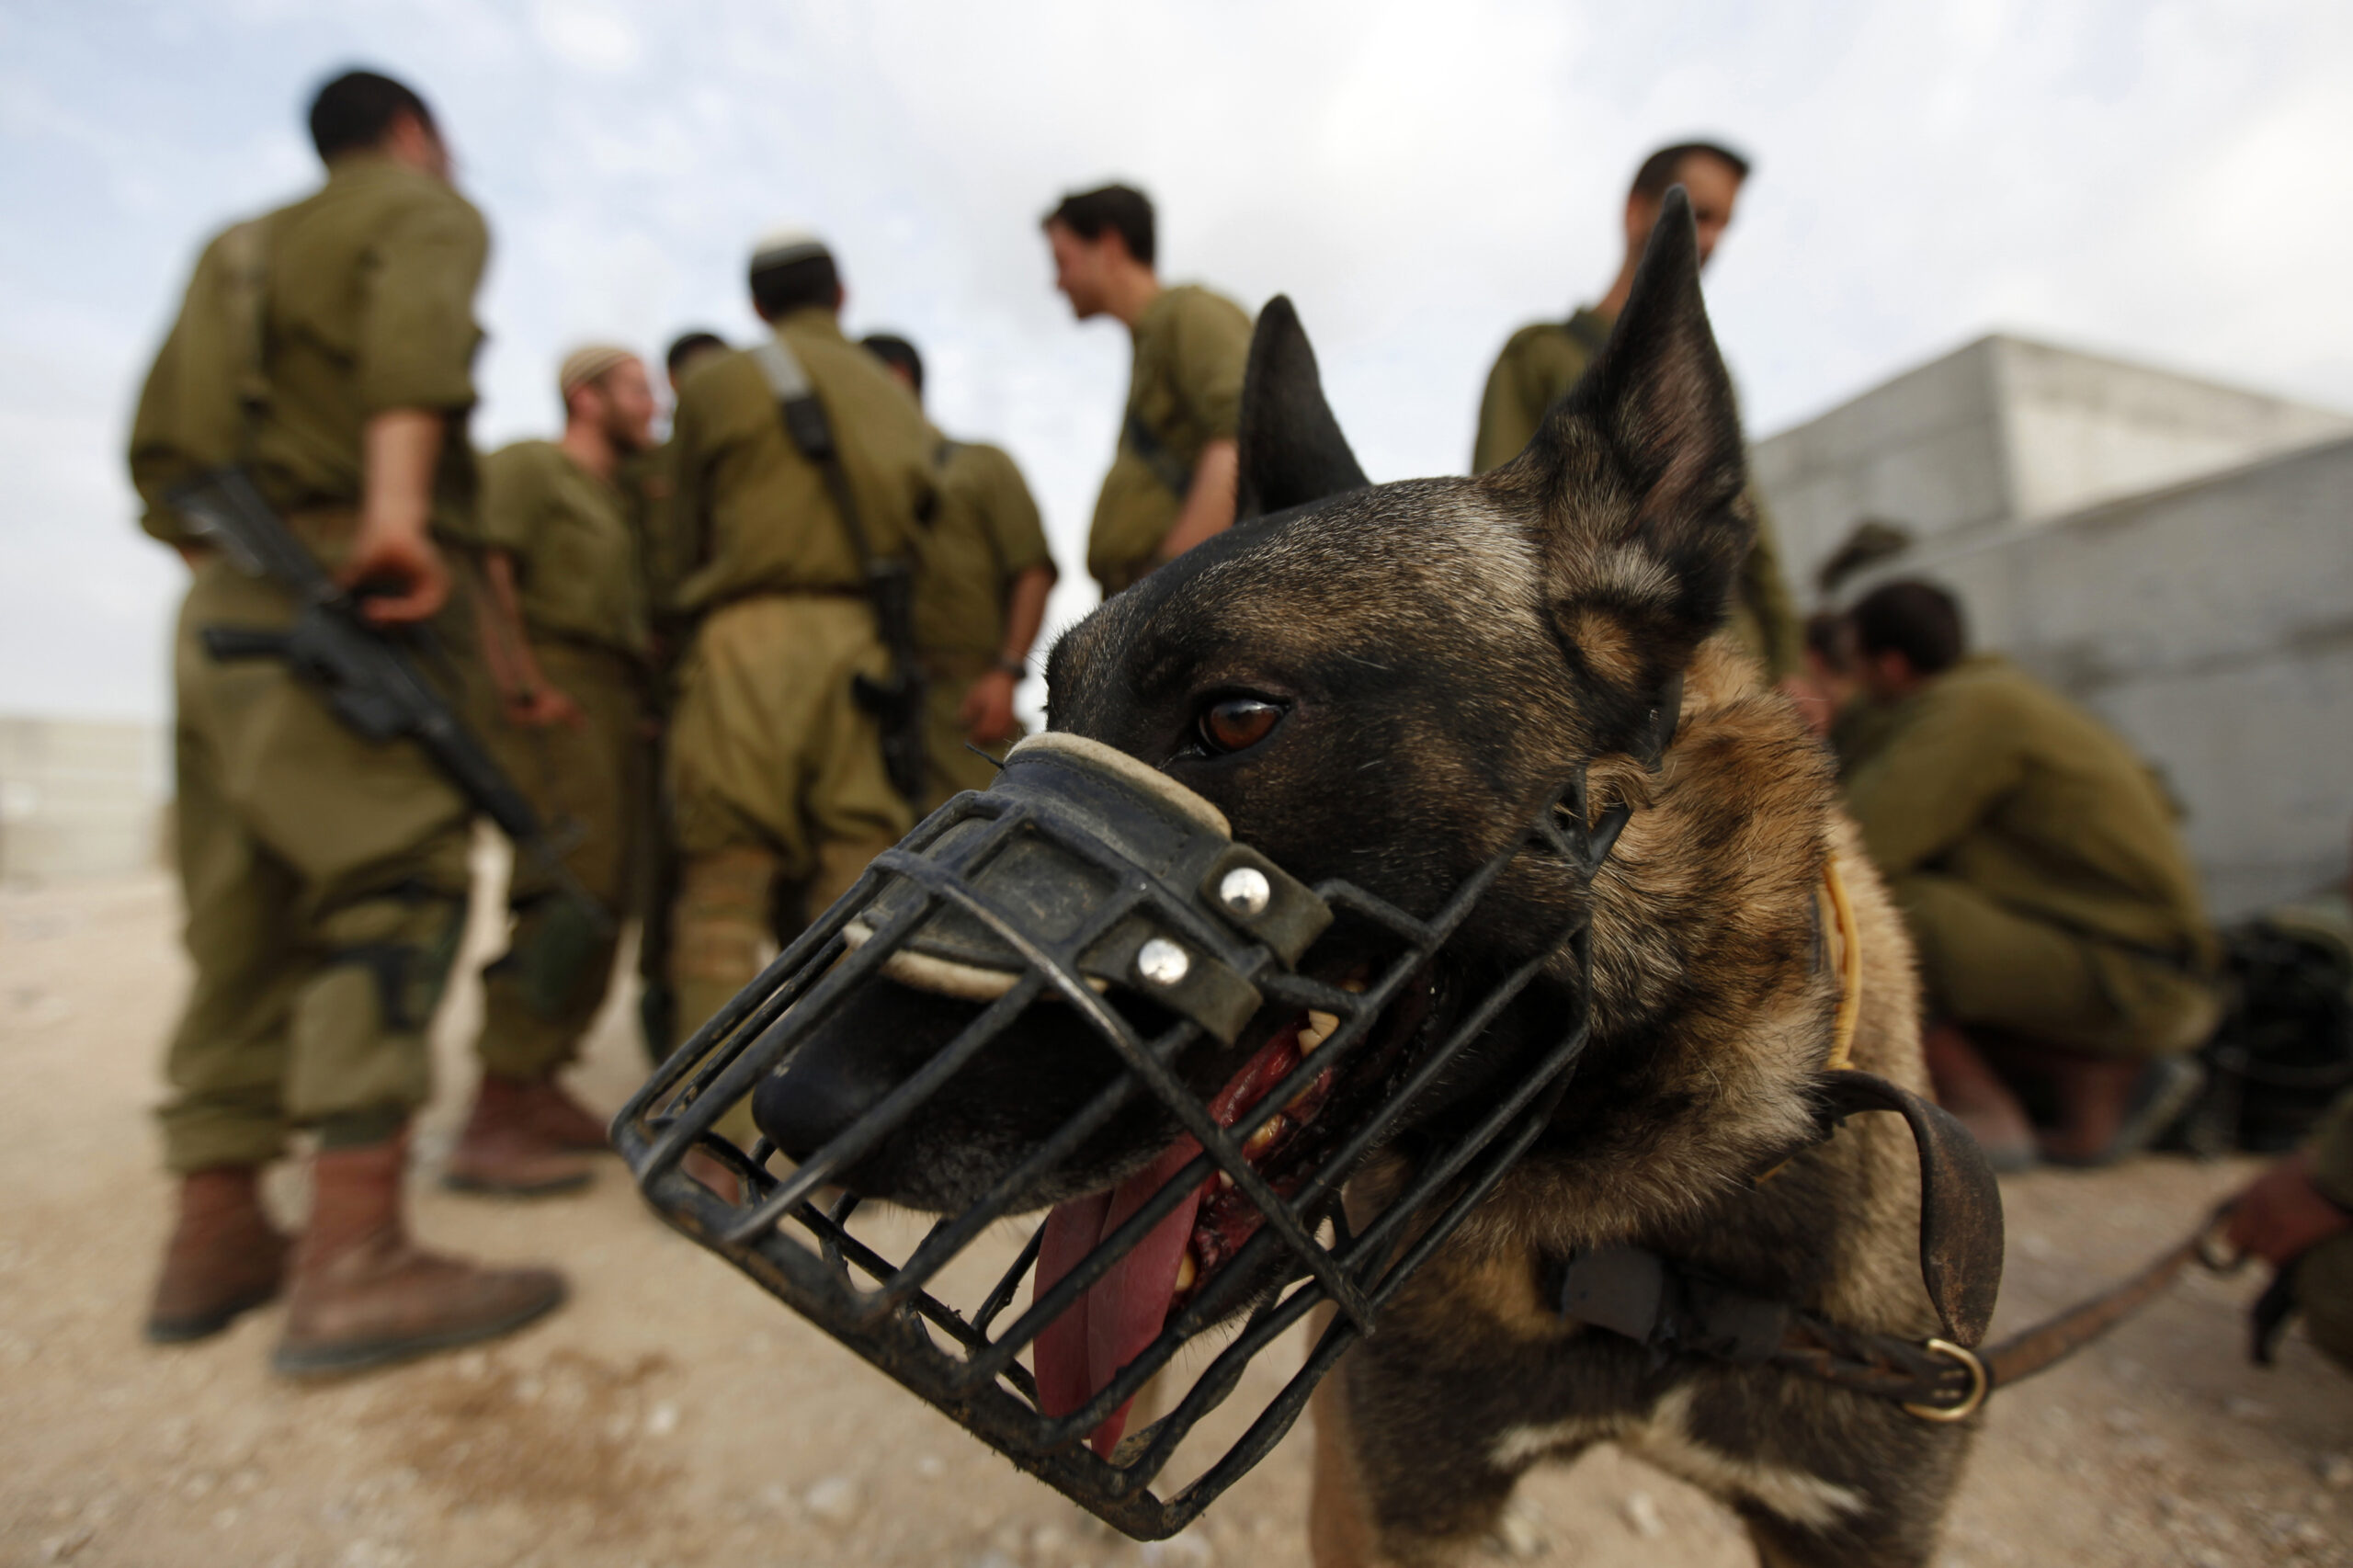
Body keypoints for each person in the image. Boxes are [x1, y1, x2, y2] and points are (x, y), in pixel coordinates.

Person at [126, 68, 564, 1371]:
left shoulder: (236, 247)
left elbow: (159, 458)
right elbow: (412, 350)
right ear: (415, 133)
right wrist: (387, 514)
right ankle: (355, 1256)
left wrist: (255, 573)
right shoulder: (422, 211)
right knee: (393, 885)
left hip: (227, 605)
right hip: (354, 594)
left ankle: (214, 1231)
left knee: (242, 905)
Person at [661, 232, 935, 1131]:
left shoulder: (718, 384)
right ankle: (833, 1123)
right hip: (864, 649)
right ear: (841, 292)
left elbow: (681, 534)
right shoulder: (896, 405)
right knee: (850, 889)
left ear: (756, 305)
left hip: (747, 635)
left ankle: (710, 1133)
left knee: (724, 881)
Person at [1839, 580, 2222, 1167]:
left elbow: (1862, 844)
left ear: (1890, 666)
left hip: (2126, 975)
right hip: (2137, 965)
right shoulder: (1997, 694)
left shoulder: (1971, 710)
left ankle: (1985, 1109)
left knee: (1855, 904)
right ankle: (2093, 1080)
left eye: (1855, 667)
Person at [444, 346, 658, 1195]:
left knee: (607, 889)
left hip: (606, 694)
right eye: (638, 390)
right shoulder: (532, 468)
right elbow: (486, 571)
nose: (653, 406)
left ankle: (535, 1084)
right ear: (585, 395)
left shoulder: (619, 501)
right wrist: (520, 683)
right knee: (569, 880)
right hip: (550, 686)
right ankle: (496, 1108)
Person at [1471, 142, 1802, 681]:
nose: (1712, 239)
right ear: (1635, 211)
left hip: (1729, 671)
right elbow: (1499, 532)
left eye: (1723, 223)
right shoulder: (1540, 356)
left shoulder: (1711, 378)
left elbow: (1746, 524)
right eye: (1698, 214)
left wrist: (1788, 661)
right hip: (1607, 673)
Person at [859, 332, 1058, 811]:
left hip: (967, 697)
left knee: (990, 831)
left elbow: (1032, 570)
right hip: (882, 704)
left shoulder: (981, 464)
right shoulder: (863, 489)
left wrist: (1006, 673)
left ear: (896, 379)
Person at [1042, 184, 1253, 597]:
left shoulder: (1192, 313)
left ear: (1109, 244)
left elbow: (1243, 441)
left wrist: (1156, 594)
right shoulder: (1150, 341)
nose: (1057, 283)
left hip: (1178, 606)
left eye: (1062, 261)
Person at [621, 329, 729, 1064]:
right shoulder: (651, 472)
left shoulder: (760, 459)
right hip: (672, 691)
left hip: (736, 678)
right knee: (678, 878)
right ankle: (674, 1060)